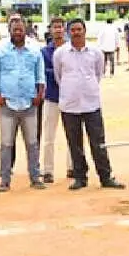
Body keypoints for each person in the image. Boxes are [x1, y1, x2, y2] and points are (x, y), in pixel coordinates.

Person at [53, 18, 125, 190]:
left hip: (91, 104)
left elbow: (98, 74)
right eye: (73, 30)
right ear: (68, 32)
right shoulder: (60, 53)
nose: (76, 32)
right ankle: (80, 177)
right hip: (69, 105)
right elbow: (59, 77)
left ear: (85, 31)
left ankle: (106, 176)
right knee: (75, 143)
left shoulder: (96, 53)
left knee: (98, 142)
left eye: (79, 29)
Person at [0, 15, 46, 192]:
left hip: (29, 101)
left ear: (25, 30)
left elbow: (40, 73)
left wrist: (40, 93)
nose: (18, 32)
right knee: (6, 143)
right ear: (10, 31)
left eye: (20, 29)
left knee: (32, 142)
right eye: (15, 29)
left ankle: (35, 177)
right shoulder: (0, 48)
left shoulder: (35, 48)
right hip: (7, 102)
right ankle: (5, 180)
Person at [39, 16, 73, 183]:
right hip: (51, 97)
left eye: (61, 27)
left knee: (72, 135)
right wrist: (61, 73)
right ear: (50, 30)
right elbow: (44, 73)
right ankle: (47, 170)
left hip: (69, 98)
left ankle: (72, 167)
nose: (58, 30)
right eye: (55, 27)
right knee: (49, 136)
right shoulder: (44, 52)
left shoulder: (70, 49)